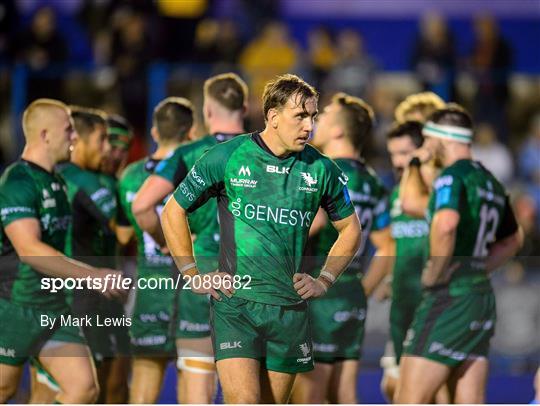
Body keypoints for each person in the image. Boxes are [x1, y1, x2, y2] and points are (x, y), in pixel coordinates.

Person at [161, 74, 362, 403]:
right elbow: (173, 211)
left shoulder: (321, 169)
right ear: (272, 116)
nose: (309, 126)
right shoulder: (228, 155)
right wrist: (190, 273)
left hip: (289, 310)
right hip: (236, 306)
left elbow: (351, 229)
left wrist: (325, 279)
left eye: (313, 116)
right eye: (300, 116)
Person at [132, 72, 248, 403]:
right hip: (258, 278)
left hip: (207, 277)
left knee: (197, 383)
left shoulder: (190, 153)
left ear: (208, 111)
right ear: (245, 107)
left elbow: (143, 206)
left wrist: (170, 244)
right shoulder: (264, 150)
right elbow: (316, 218)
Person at [396, 105, 524, 403]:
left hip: (449, 298)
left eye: (428, 138)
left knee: (407, 400)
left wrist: (435, 272)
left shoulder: (451, 178)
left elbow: (446, 224)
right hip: (480, 298)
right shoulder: (490, 182)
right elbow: (513, 240)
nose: (425, 146)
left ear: (444, 138)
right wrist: (476, 269)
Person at [0, 99, 124, 403]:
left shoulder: (57, 181)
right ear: (45, 135)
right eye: (68, 130)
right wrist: (92, 276)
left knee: (84, 389)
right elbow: (29, 250)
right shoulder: (17, 180)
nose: (74, 137)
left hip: (52, 308)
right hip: (13, 306)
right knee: (5, 389)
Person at [291, 93, 393, 404]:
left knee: (311, 392)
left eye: (321, 117)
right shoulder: (373, 181)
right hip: (350, 292)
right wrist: (362, 289)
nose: (314, 122)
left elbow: (316, 222)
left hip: (317, 287)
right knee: (345, 390)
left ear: (337, 130)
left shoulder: (321, 171)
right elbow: (388, 246)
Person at [117, 97, 195, 403]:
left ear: (154, 131)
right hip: (191, 286)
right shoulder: (195, 170)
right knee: (194, 377)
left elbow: (124, 236)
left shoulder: (130, 176)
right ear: (190, 132)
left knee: (146, 377)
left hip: (150, 286)